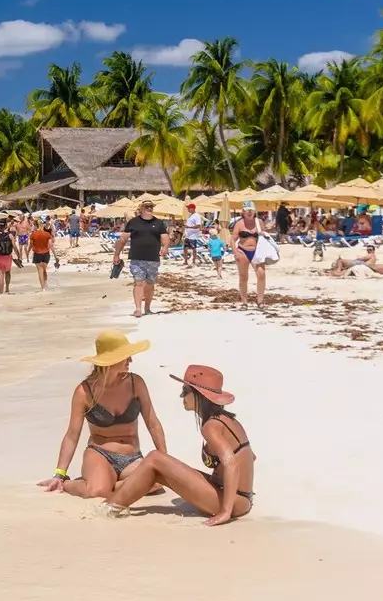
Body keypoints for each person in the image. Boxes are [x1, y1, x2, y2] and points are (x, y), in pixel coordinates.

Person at [109, 365, 255, 526]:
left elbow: (231, 463)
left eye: (185, 391)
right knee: (156, 469)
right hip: (237, 496)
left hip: (234, 500)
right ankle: (114, 504)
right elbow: (250, 456)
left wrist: (226, 512)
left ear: (200, 395)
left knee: (155, 458)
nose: (181, 395)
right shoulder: (228, 420)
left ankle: (110, 508)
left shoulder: (211, 426)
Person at [37, 330, 168, 503]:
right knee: (97, 492)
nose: (130, 360)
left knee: (157, 483)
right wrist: (59, 474)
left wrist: (165, 461)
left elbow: (153, 424)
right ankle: (68, 485)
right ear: (110, 361)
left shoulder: (136, 383)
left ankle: (110, 484)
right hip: (100, 454)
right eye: (125, 356)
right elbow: (72, 435)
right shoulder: (84, 392)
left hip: (133, 457)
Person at [120, 199, 165, 317]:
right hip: (136, 258)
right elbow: (123, 238)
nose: (149, 208)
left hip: (153, 259)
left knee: (150, 284)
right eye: (146, 206)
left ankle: (147, 308)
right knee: (139, 282)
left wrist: (165, 247)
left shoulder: (159, 223)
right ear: (141, 209)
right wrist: (116, 254)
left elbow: (164, 237)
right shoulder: (133, 222)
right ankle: (138, 309)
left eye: (151, 206)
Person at [232, 203, 266, 308]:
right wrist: (235, 252)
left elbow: (264, 238)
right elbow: (233, 239)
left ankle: (260, 301)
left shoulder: (259, 222)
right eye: (247, 210)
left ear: (255, 211)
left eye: (251, 209)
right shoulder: (239, 223)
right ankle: (244, 302)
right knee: (243, 277)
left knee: (261, 275)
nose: (249, 212)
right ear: (243, 211)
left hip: (257, 251)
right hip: (243, 251)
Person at [0, 221, 16, 294]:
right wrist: (19, 256)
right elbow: (14, 247)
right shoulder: (10, 235)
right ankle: (7, 288)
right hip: (8, 257)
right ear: (5, 226)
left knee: (0, 275)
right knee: (8, 272)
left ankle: (1, 292)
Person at [28, 219, 52, 289]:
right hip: (46, 253)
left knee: (40, 271)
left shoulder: (33, 234)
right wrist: (55, 256)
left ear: (36, 225)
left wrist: (27, 252)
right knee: (44, 270)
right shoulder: (47, 234)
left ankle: (43, 288)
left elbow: (31, 245)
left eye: (33, 225)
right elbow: (50, 245)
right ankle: (46, 283)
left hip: (37, 253)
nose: (33, 227)